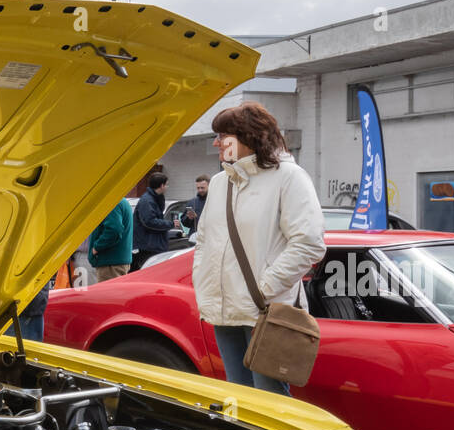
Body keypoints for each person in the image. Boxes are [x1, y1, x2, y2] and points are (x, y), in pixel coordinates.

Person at [192, 102, 325, 397]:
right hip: (225, 309)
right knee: (240, 398)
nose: (216, 143)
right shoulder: (218, 183)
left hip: (266, 311)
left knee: (270, 400)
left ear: (247, 136)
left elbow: (309, 243)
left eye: (222, 135)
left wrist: (264, 289)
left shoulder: (289, 177)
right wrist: (206, 284)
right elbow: (203, 240)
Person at [132, 172, 171, 270]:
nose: (167, 187)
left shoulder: (154, 199)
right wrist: (170, 224)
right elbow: (149, 221)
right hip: (149, 246)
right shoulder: (147, 200)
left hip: (154, 245)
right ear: (161, 185)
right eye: (166, 184)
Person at [89, 197, 133, 282]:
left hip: (110, 265)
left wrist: (96, 247)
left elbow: (114, 230)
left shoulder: (113, 202)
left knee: (107, 294)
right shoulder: (121, 202)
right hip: (115, 263)